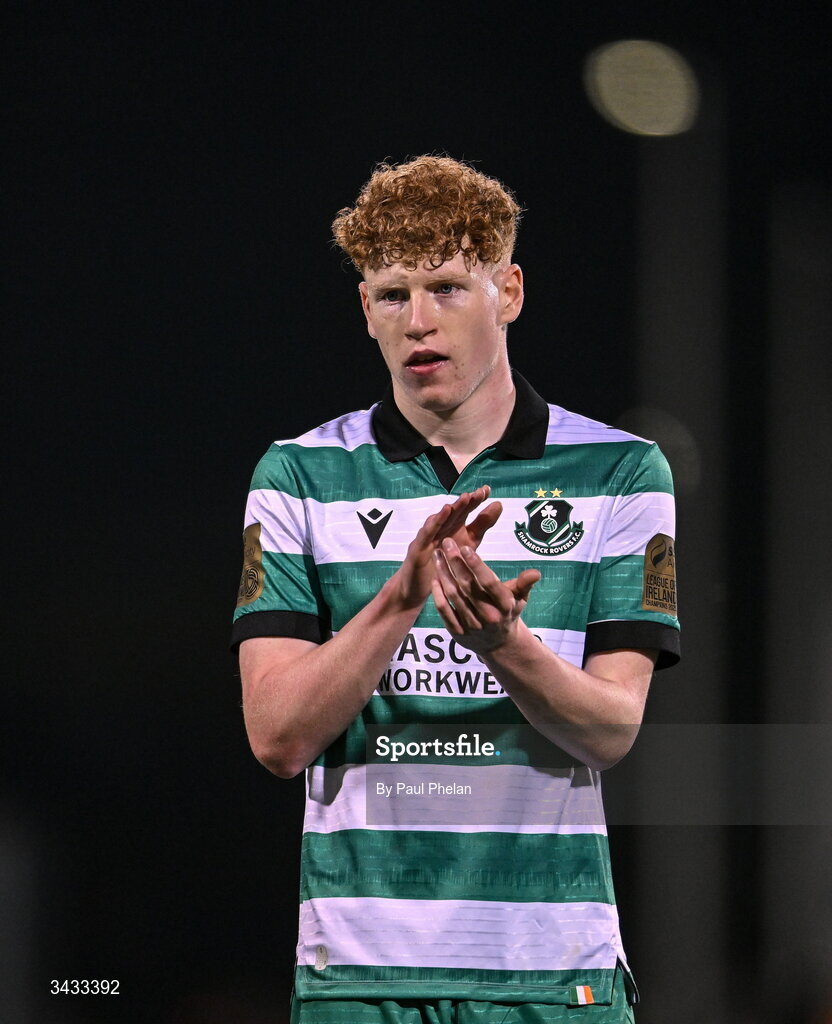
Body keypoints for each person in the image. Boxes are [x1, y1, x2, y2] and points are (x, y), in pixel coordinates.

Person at [232, 156, 679, 1024]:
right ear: (365, 310)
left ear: (508, 290)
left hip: (553, 978)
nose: (420, 321)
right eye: (393, 295)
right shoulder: (297, 476)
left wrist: (502, 645)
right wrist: (399, 602)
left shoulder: (622, 471)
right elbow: (277, 737)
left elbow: (612, 731)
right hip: (358, 980)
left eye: (447, 287)